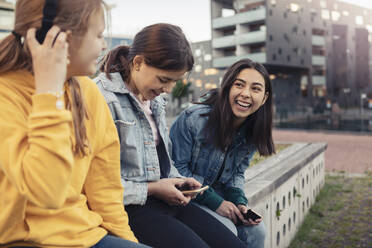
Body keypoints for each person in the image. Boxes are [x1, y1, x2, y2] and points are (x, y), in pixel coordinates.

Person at [0, 0, 150, 247]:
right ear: (59, 38)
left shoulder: (88, 92)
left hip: (82, 235)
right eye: (99, 35)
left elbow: (105, 189)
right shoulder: (6, 94)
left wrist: (129, 242)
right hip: (19, 240)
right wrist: (49, 93)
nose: (103, 45)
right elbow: (46, 192)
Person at [95, 23, 246, 248]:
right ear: (138, 63)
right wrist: (153, 188)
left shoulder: (155, 100)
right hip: (129, 209)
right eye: (164, 80)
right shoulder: (102, 98)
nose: (169, 89)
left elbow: (161, 163)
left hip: (165, 201)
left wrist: (179, 180)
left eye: (175, 81)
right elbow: (96, 183)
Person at [170, 59, 276, 248]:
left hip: (218, 196)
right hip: (185, 198)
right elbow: (176, 170)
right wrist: (216, 202)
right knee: (228, 229)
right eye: (239, 85)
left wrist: (239, 202)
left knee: (258, 232)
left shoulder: (252, 132)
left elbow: (236, 174)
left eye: (255, 89)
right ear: (227, 87)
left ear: (264, 98)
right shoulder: (194, 119)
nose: (245, 94)